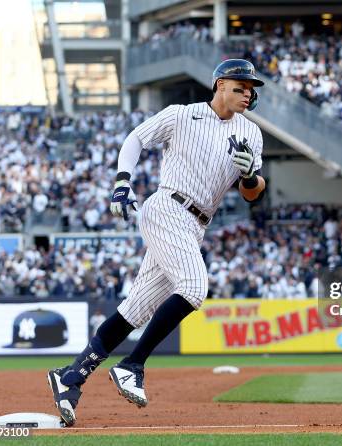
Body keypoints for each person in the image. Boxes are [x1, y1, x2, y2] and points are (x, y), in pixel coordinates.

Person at [47, 59, 267, 426]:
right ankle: (132, 364)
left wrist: (249, 175)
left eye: (251, 89)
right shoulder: (183, 115)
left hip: (196, 224)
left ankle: (70, 377)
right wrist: (122, 181)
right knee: (196, 287)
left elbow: (253, 193)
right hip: (168, 206)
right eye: (240, 86)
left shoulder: (252, 134)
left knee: (135, 310)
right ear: (219, 85)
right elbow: (136, 138)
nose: (247, 93)